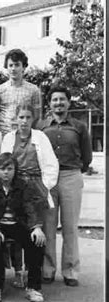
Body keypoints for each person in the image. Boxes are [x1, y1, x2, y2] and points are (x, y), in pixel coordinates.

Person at [37, 86, 92, 286]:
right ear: (49, 104)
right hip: (48, 179)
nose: (58, 103)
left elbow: (87, 157)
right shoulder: (42, 126)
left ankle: (70, 271)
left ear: (69, 102)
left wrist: (76, 170)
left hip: (71, 176)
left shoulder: (79, 126)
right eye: (54, 100)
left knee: (70, 227)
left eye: (62, 99)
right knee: (48, 226)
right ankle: (48, 269)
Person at [1, 103, 58, 288]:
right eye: (21, 117)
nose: (24, 121)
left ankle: (34, 270)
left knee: (35, 229)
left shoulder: (40, 137)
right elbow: (4, 164)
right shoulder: (9, 138)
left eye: (27, 117)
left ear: (32, 119)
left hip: (35, 186)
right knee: (17, 227)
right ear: (16, 119)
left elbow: (51, 164)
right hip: (16, 186)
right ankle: (18, 272)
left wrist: (45, 186)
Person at [0, 153, 46, 302]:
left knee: (37, 242)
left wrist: (36, 227)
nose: (6, 172)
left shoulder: (23, 185)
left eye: (9, 168)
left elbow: (29, 206)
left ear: (15, 169)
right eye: (2, 168)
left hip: (19, 224)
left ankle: (33, 287)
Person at [0, 49, 42, 136]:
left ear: (23, 67)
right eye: (10, 65)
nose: (13, 69)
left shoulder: (33, 90)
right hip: (4, 135)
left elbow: (36, 116)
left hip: (24, 136)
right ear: (6, 67)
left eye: (17, 65)